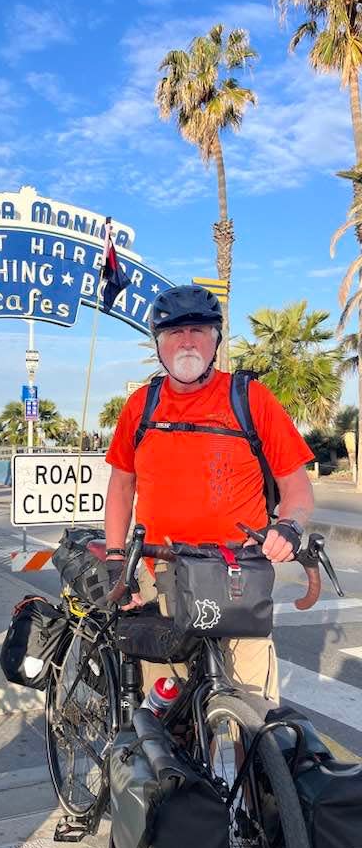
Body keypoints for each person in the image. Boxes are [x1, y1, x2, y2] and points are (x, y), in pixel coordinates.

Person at [104, 284, 314, 709]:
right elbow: (121, 484)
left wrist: (290, 526)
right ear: (157, 344)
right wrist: (114, 558)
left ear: (216, 338)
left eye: (198, 329)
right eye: (173, 332)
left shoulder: (249, 398)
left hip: (238, 579)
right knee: (167, 713)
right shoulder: (140, 406)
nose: (186, 341)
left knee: (252, 713)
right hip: (162, 575)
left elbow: (296, 485)